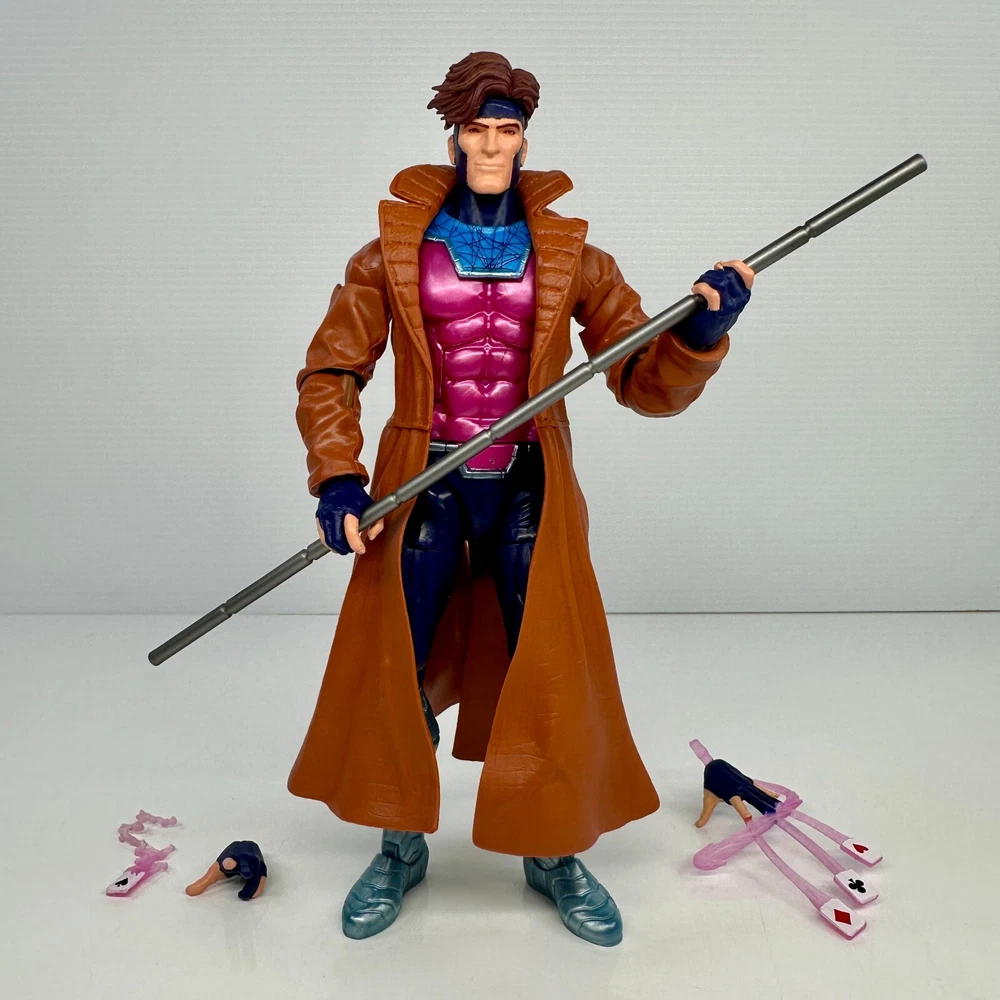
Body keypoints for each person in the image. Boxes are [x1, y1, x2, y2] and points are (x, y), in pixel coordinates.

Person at [290, 51, 753, 946]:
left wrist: (701, 332)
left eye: (507, 129)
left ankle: (552, 850)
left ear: (525, 140)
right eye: (478, 128)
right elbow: (332, 370)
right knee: (397, 668)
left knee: (547, 672)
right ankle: (398, 844)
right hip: (423, 481)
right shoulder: (391, 252)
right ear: (454, 138)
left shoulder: (571, 255)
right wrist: (337, 473)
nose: (493, 145)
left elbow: (640, 377)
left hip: (527, 480)